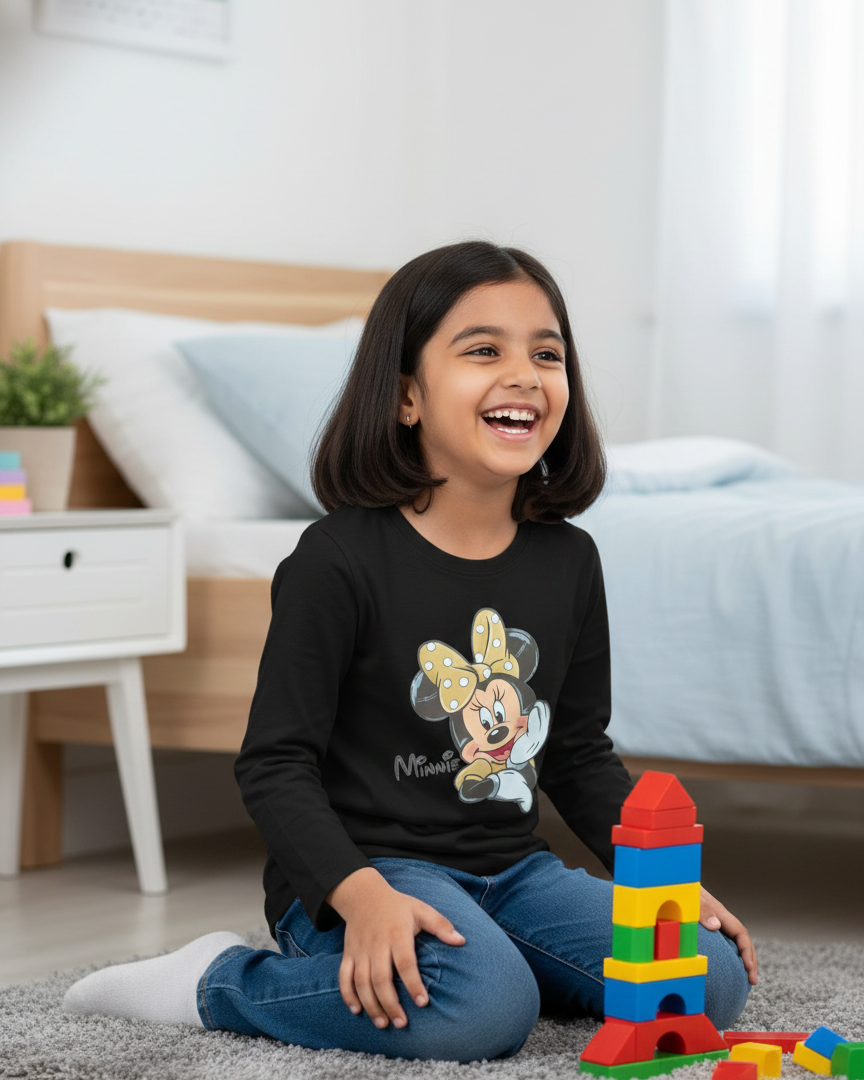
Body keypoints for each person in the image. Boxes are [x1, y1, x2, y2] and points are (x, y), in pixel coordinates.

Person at [64, 241, 757, 1062]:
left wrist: (664, 889)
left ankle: (496, 956)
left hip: (513, 873)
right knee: (485, 1009)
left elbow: (576, 754)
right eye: (484, 351)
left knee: (706, 978)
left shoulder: (570, 560)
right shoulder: (336, 560)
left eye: (546, 354)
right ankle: (217, 981)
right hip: (365, 872)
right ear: (405, 397)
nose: (525, 375)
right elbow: (275, 764)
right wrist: (358, 896)